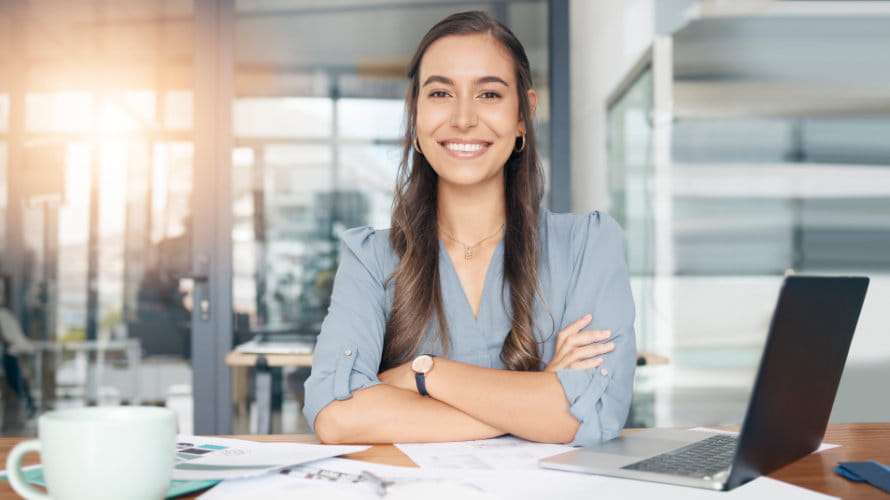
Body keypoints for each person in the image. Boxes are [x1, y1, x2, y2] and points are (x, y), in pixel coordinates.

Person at [304, 11, 635, 446]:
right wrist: (532, 404)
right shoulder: (371, 259)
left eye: (489, 95)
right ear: (416, 115)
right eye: (440, 92)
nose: (463, 119)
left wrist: (422, 375)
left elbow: (592, 414)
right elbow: (337, 417)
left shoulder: (589, 246)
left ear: (523, 115)